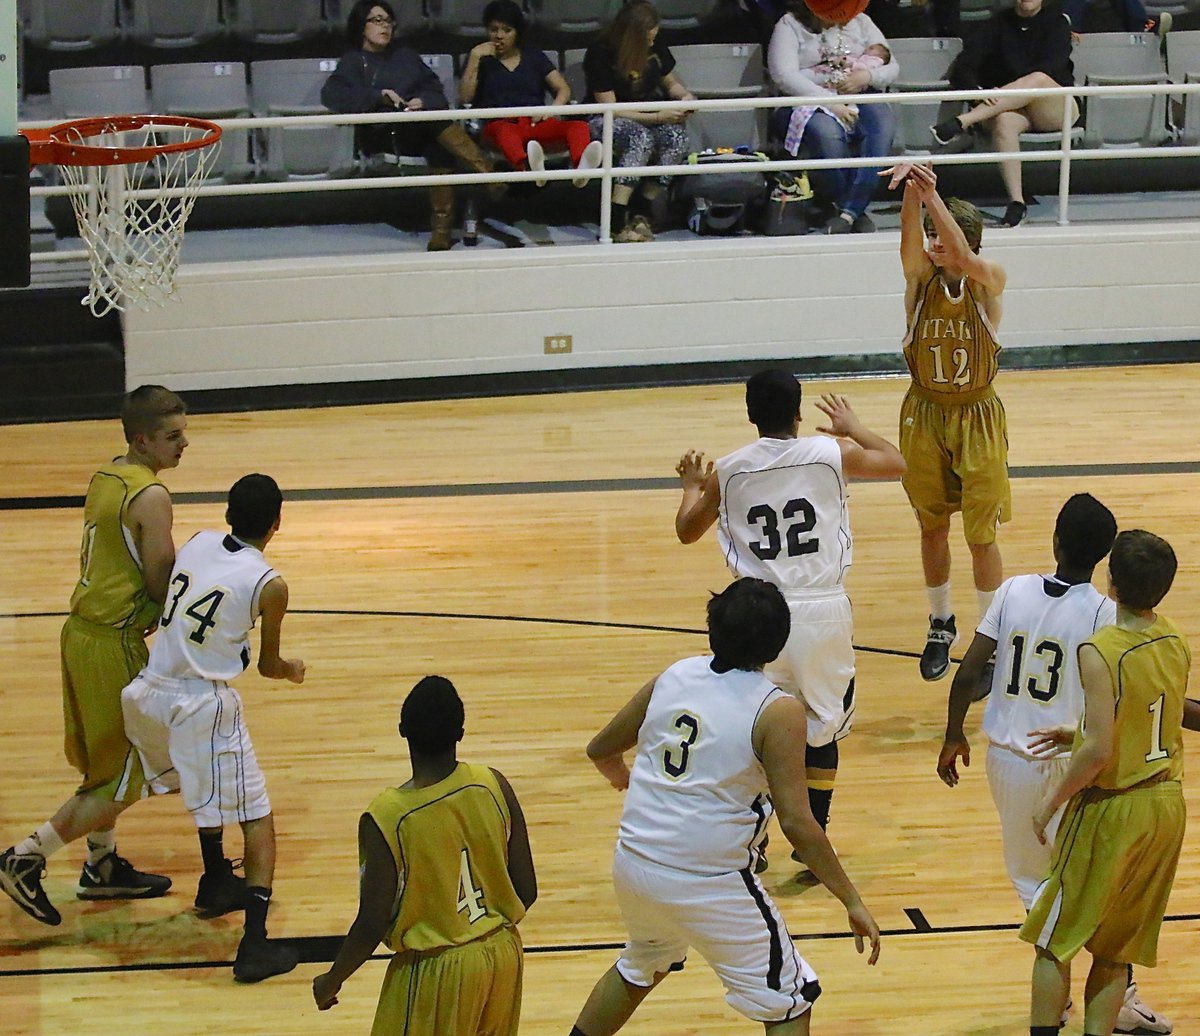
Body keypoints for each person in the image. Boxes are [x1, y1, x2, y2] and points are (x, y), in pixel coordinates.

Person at [569, 578, 881, 1036]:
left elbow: (600, 749)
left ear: (712, 628)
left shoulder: (674, 675)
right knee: (791, 1000)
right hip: (708, 879)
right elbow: (798, 822)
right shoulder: (777, 710)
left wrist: (623, 777)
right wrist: (851, 899)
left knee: (644, 961)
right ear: (778, 643)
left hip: (635, 863)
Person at [937, 494, 1173, 1036]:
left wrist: (952, 734)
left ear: (1056, 540)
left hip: (1007, 763)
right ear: (1105, 558)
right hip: (1074, 763)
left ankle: (1061, 998)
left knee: (1035, 885)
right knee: (1095, 887)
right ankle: (1113, 999)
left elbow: (969, 672)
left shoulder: (1013, 590)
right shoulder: (1103, 613)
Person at [674, 372, 905, 853]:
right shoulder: (832, 453)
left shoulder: (729, 470)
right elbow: (896, 463)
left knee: (756, 724)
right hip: (821, 609)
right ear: (799, 413)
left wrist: (692, 486)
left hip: (758, 611)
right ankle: (811, 835)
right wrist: (853, 427)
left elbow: (687, 530)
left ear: (750, 415)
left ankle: (751, 843)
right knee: (821, 727)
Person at [0, 386, 186, 927]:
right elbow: (160, 578)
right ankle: (25, 857)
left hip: (79, 634)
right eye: (172, 436)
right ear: (142, 440)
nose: (183, 444)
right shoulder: (152, 496)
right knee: (132, 770)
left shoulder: (108, 475)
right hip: (110, 641)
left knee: (105, 763)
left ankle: (101, 866)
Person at [118, 473, 304, 982]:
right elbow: (268, 666)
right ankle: (254, 945)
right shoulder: (270, 584)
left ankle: (217, 879)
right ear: (277, 522)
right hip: (199, 702)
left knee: (206, 785)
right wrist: (292, 669)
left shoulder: (199, 542)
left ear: (227, 514)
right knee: (257, 816)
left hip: (148, 691)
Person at [1018, 530, 1189, 1036]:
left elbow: (1098, 753)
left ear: (1110, 583)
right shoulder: (1176, 639)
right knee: (1116, 950)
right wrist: (1079, 733)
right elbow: (1152, 717)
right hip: (1166, 806)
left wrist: (1050, 803)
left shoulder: (1101, 649)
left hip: (1113, 809)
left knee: (1053, 940)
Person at [312, 675, 536, 1034]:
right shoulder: (493, 783)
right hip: (503, 957)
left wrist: (332, 979)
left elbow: (372, 922)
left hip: (435, 969)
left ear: (403, 730)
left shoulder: (389, 815)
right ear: (460, 733)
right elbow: (527, 890)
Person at [885, 161, 1009, 686]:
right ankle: (941, 623)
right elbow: (908, 242)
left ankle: (990, 637)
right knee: (932, 527)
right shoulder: (920, 282)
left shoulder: (988, 282)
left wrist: (934, 197)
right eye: (931, 236)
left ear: (969, 244)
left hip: (977, 416)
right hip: (925, 415)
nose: (934, 245)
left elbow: (965, 258)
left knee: (981, 535)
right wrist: (914, 192)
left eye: (943, 237)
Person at [321, 0, 504, 251]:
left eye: (388, 21)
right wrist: (379, 96)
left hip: (418, 129)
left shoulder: (406, 57)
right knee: (435, 127)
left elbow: (436, 92)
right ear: (362, 26)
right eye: (377, 20)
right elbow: (332, 96)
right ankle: (489, 174)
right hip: (383, 134)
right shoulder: (353, 61)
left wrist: (423, 101)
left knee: (438, 145)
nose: (385, 26)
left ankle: (441, 232)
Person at [930, 0, 1077, 228]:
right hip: (1008, 107)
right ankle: (1017, 202)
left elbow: (1053, 67)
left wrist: (1005, 90)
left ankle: (963, 121)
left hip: (1053, 105)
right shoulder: (995, 24)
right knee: (1004, 121)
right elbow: (964, 65)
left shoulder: (1057, 23)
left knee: (1038, 78)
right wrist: (978, 93)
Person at [768, 0, 898, 234]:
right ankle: (850, 210)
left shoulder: (862, 22)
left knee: (883, 125)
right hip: (805, 101)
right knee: (827, 133)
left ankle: (849, 212)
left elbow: (891, 65)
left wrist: (866, 77)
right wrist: (829, 101)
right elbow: (784, 75)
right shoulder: (789, 25)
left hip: (857, 94)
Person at [583, 0, 698, 242]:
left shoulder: (654, 45)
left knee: (676, 138)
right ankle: (615, 219)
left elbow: (670, 82)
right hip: (606, 118)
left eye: (654, 38)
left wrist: (684, 97)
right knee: (640, 137)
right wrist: (657, 116)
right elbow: (610, 108)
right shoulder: (600, 52)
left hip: (649, 113)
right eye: (647, 39)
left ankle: (642, 211)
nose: (652, 43)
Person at [460, 0, 604, 188]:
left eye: (507, 30)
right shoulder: (479, 59)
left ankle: (580, 169)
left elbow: (563, 89)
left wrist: (551, 110)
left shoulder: (534, 56)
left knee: (578, 127)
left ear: (517, 32)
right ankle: (528, 168)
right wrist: (474, 57)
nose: (499, 36)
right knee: (505, 132)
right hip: (498, 125)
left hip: (536, 122)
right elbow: (465, 97)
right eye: (494, 30)